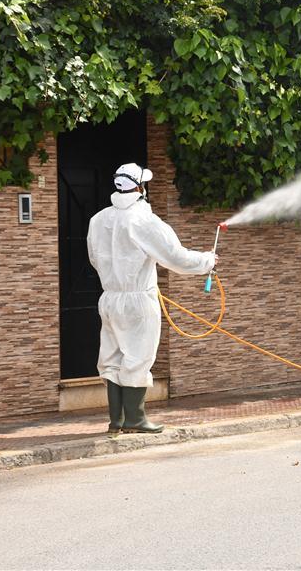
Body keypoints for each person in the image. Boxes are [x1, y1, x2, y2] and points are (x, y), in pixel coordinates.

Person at [87, 163, 217, 434]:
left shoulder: (98, 219)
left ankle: (117, 420)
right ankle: (135, 419)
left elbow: (94, 259)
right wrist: (207, 261)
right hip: (138, 301)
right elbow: (176, 257)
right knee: (137, 356)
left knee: (112, 357)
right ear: (139, 188)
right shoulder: (144, 220)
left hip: (110, 298)